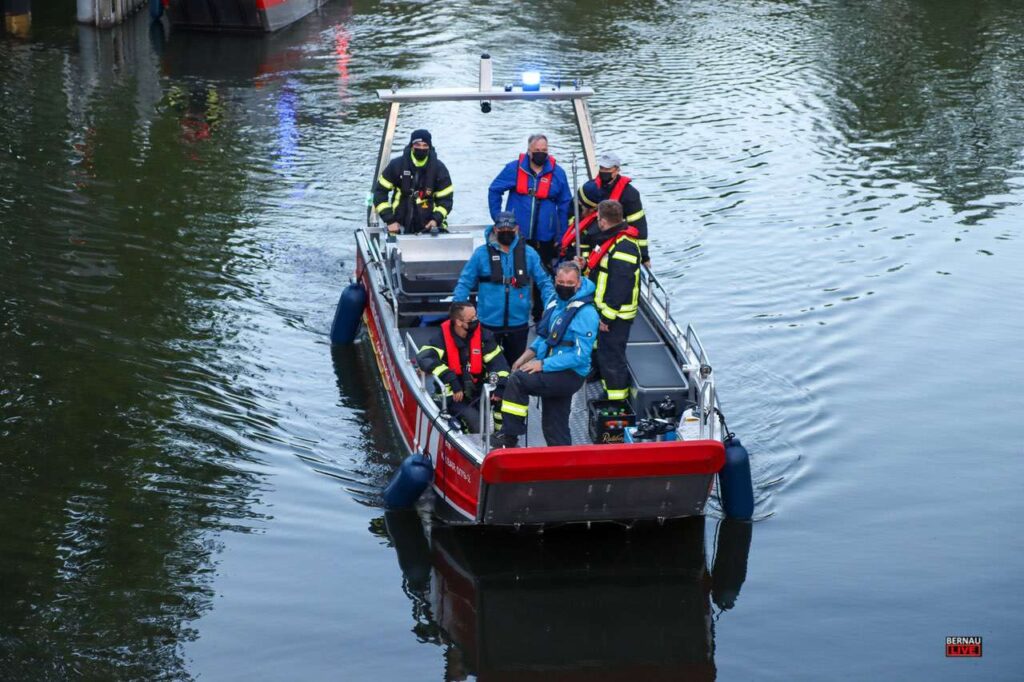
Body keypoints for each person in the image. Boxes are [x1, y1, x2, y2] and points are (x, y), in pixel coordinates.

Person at [490, 262, 599, 448]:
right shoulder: (555, 303)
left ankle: (509, 436)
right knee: (554, 426)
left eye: (570, 283)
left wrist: (542, 365)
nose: (565, 286)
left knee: (518, 381)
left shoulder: (586, 313)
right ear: (556, 280)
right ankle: (564, 464)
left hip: (570, 374)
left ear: (579, 283)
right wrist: (524, 357)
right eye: (561, 282)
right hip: (552, 369)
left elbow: (580, 356)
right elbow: (545, 337)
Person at [452, 212, 556, 366]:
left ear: (517, 229)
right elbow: (465, 282)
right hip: (488, 323)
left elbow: (545, 282)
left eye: (510, 229)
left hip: (518, 323)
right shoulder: (481, 254)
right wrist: (457, 310)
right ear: (495, 229)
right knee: (485, 366)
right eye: (502, 230)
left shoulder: (529, 254)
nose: (506, 233)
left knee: (515, 366)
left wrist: (552, 306)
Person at [488, 133, 572, 319]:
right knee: (516, 273)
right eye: (537, 151)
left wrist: (562, 235)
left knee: (544, 274)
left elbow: (565, 204)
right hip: (518, 234)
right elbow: (494, 190)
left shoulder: (558, 173)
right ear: (529, 151)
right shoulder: (513, 169)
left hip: (546, 235)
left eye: (544, 151)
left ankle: (541, 313)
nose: (541, 154)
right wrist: (497, 217)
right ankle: (515, 312)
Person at [575, 199, 642, 404]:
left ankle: (615, 400)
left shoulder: (623, 247)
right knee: (604, 353)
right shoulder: (612, 240)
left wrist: (607, 317)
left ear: (602, 220)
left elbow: (619, 286)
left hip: (616, 315)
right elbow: (604, 270)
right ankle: (607, 387)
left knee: (612, 358)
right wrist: (586, 264)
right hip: (604, 310)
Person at [416, 302, 509, 433]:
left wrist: (499, 387)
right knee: (475, 422)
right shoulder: (441, 338)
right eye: (471, 319)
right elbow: (424, 358)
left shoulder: (484, 336)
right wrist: (451, 379)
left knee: (509, 398)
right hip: (453, 394)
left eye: (476, 317)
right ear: (459, 322)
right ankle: (467, 435)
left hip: (478, 389)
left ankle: (502, 436)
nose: (475, 321)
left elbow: (499, 364)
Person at [561, 152, 650, 266]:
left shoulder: (629, 194)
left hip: (609, 240)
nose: (604, 172)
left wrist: (644, 256)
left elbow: (639, 225)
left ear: (617, 170)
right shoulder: (589, 188)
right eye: (602, 168)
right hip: (585, 239)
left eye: (607, 169)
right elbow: (573, 211)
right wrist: (575, 225)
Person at [372, 129, 454, 235]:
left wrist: (436, 219)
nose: (421, 148)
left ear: (429, 147)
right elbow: (380, 192)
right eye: (417, 144)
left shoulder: (439, 168)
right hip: (398, 226)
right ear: (411, 145)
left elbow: (446, 200)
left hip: (430, 226)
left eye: (425, 145)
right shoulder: (396, 165)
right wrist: (389, 220)